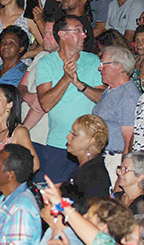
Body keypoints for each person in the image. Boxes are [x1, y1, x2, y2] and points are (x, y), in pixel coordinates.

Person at [36, 14, 103, 152]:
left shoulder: (94, 61)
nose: (84, 35)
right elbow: (46, 104)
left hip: (89, 144)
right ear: (62, 34)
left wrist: (81, 85)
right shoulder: (46, 63)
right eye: (78, 30)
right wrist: (66, 78)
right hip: (59, 143)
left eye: (83, 31)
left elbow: (104, 99)